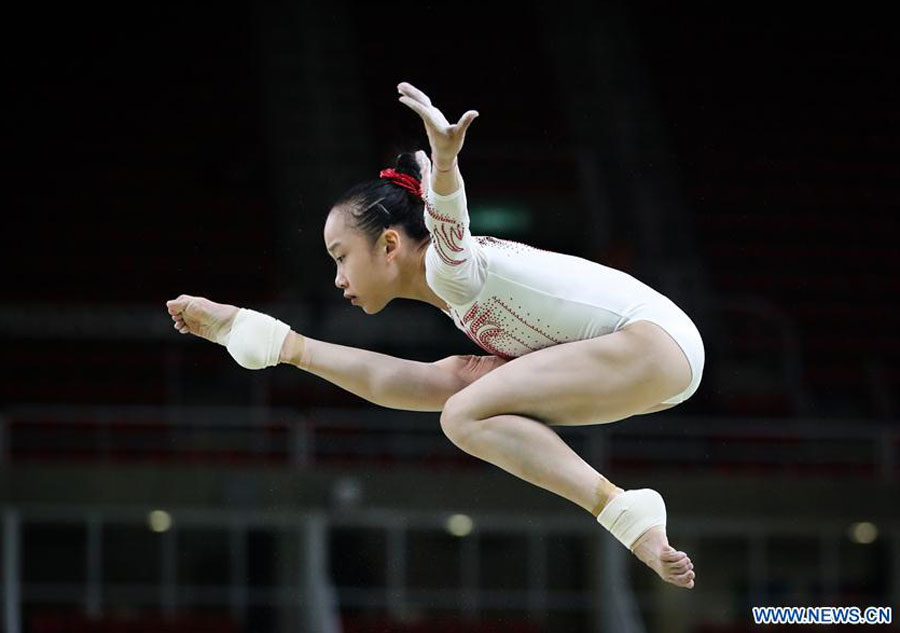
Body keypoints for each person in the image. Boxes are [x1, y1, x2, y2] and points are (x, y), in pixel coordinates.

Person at [166, 82, 701, 589]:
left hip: (652, 342)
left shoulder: (450, 270)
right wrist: (280, 342)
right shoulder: (455, 298)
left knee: (463, 412)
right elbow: (398, 380)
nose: (338, 278)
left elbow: (449, 224)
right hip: (654, 365)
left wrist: (444, 164)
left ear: (390, 244)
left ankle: (623, 511)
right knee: (450, 386)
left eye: (341, 257)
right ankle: (633, 518)